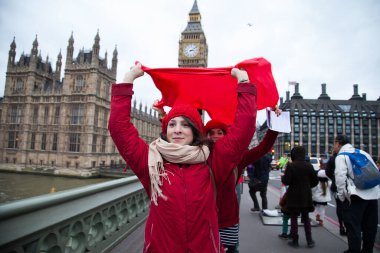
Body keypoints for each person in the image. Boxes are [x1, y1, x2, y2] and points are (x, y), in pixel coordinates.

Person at [108, 63, 258, 252]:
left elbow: (243, 130)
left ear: (195, 131)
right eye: (172, 124)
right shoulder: (152, 161)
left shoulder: (212, 161)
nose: (177, 130)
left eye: (185, 125)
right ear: (166, 130)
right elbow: (119, 129)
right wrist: (127, 81)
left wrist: (244, 82)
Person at [204, 120, 279, 253]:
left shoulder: (237, 158)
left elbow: (262, 148)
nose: (215, 136)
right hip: (202, 219)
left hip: (227, 220)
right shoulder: (198, 157)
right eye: (211, 133)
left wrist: (274, 128)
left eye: (219, 133)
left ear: (226, 137)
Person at [333, 134, 380, 253]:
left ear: (338, 143)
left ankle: (354, 250)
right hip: (373, 195)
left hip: (355, 197)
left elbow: (340, 178)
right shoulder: (364, 153)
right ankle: (367, 250)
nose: (334, 147)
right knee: (370, 227)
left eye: (334, 144)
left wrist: (342, 197)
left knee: (353, 227)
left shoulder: (341, 156)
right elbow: (375, 172)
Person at [281, 146, 319, 248]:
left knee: (294, 218)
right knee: (306, 218)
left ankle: (295, 240)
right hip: (306, 195)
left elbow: (286, 181)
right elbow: (315, 181)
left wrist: (284, 176)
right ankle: (309, 240)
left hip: (293, 196)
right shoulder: (309, 166)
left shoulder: (291, 166)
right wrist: (307, 186)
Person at [325, 151, 347, 236]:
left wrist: (334, 178)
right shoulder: (347, 156)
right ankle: (347, 226)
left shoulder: (333, 158)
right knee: (348, 207)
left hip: (337, 186)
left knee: (340, 207)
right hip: (348, 186)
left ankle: (341, 226)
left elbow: (327, 172)